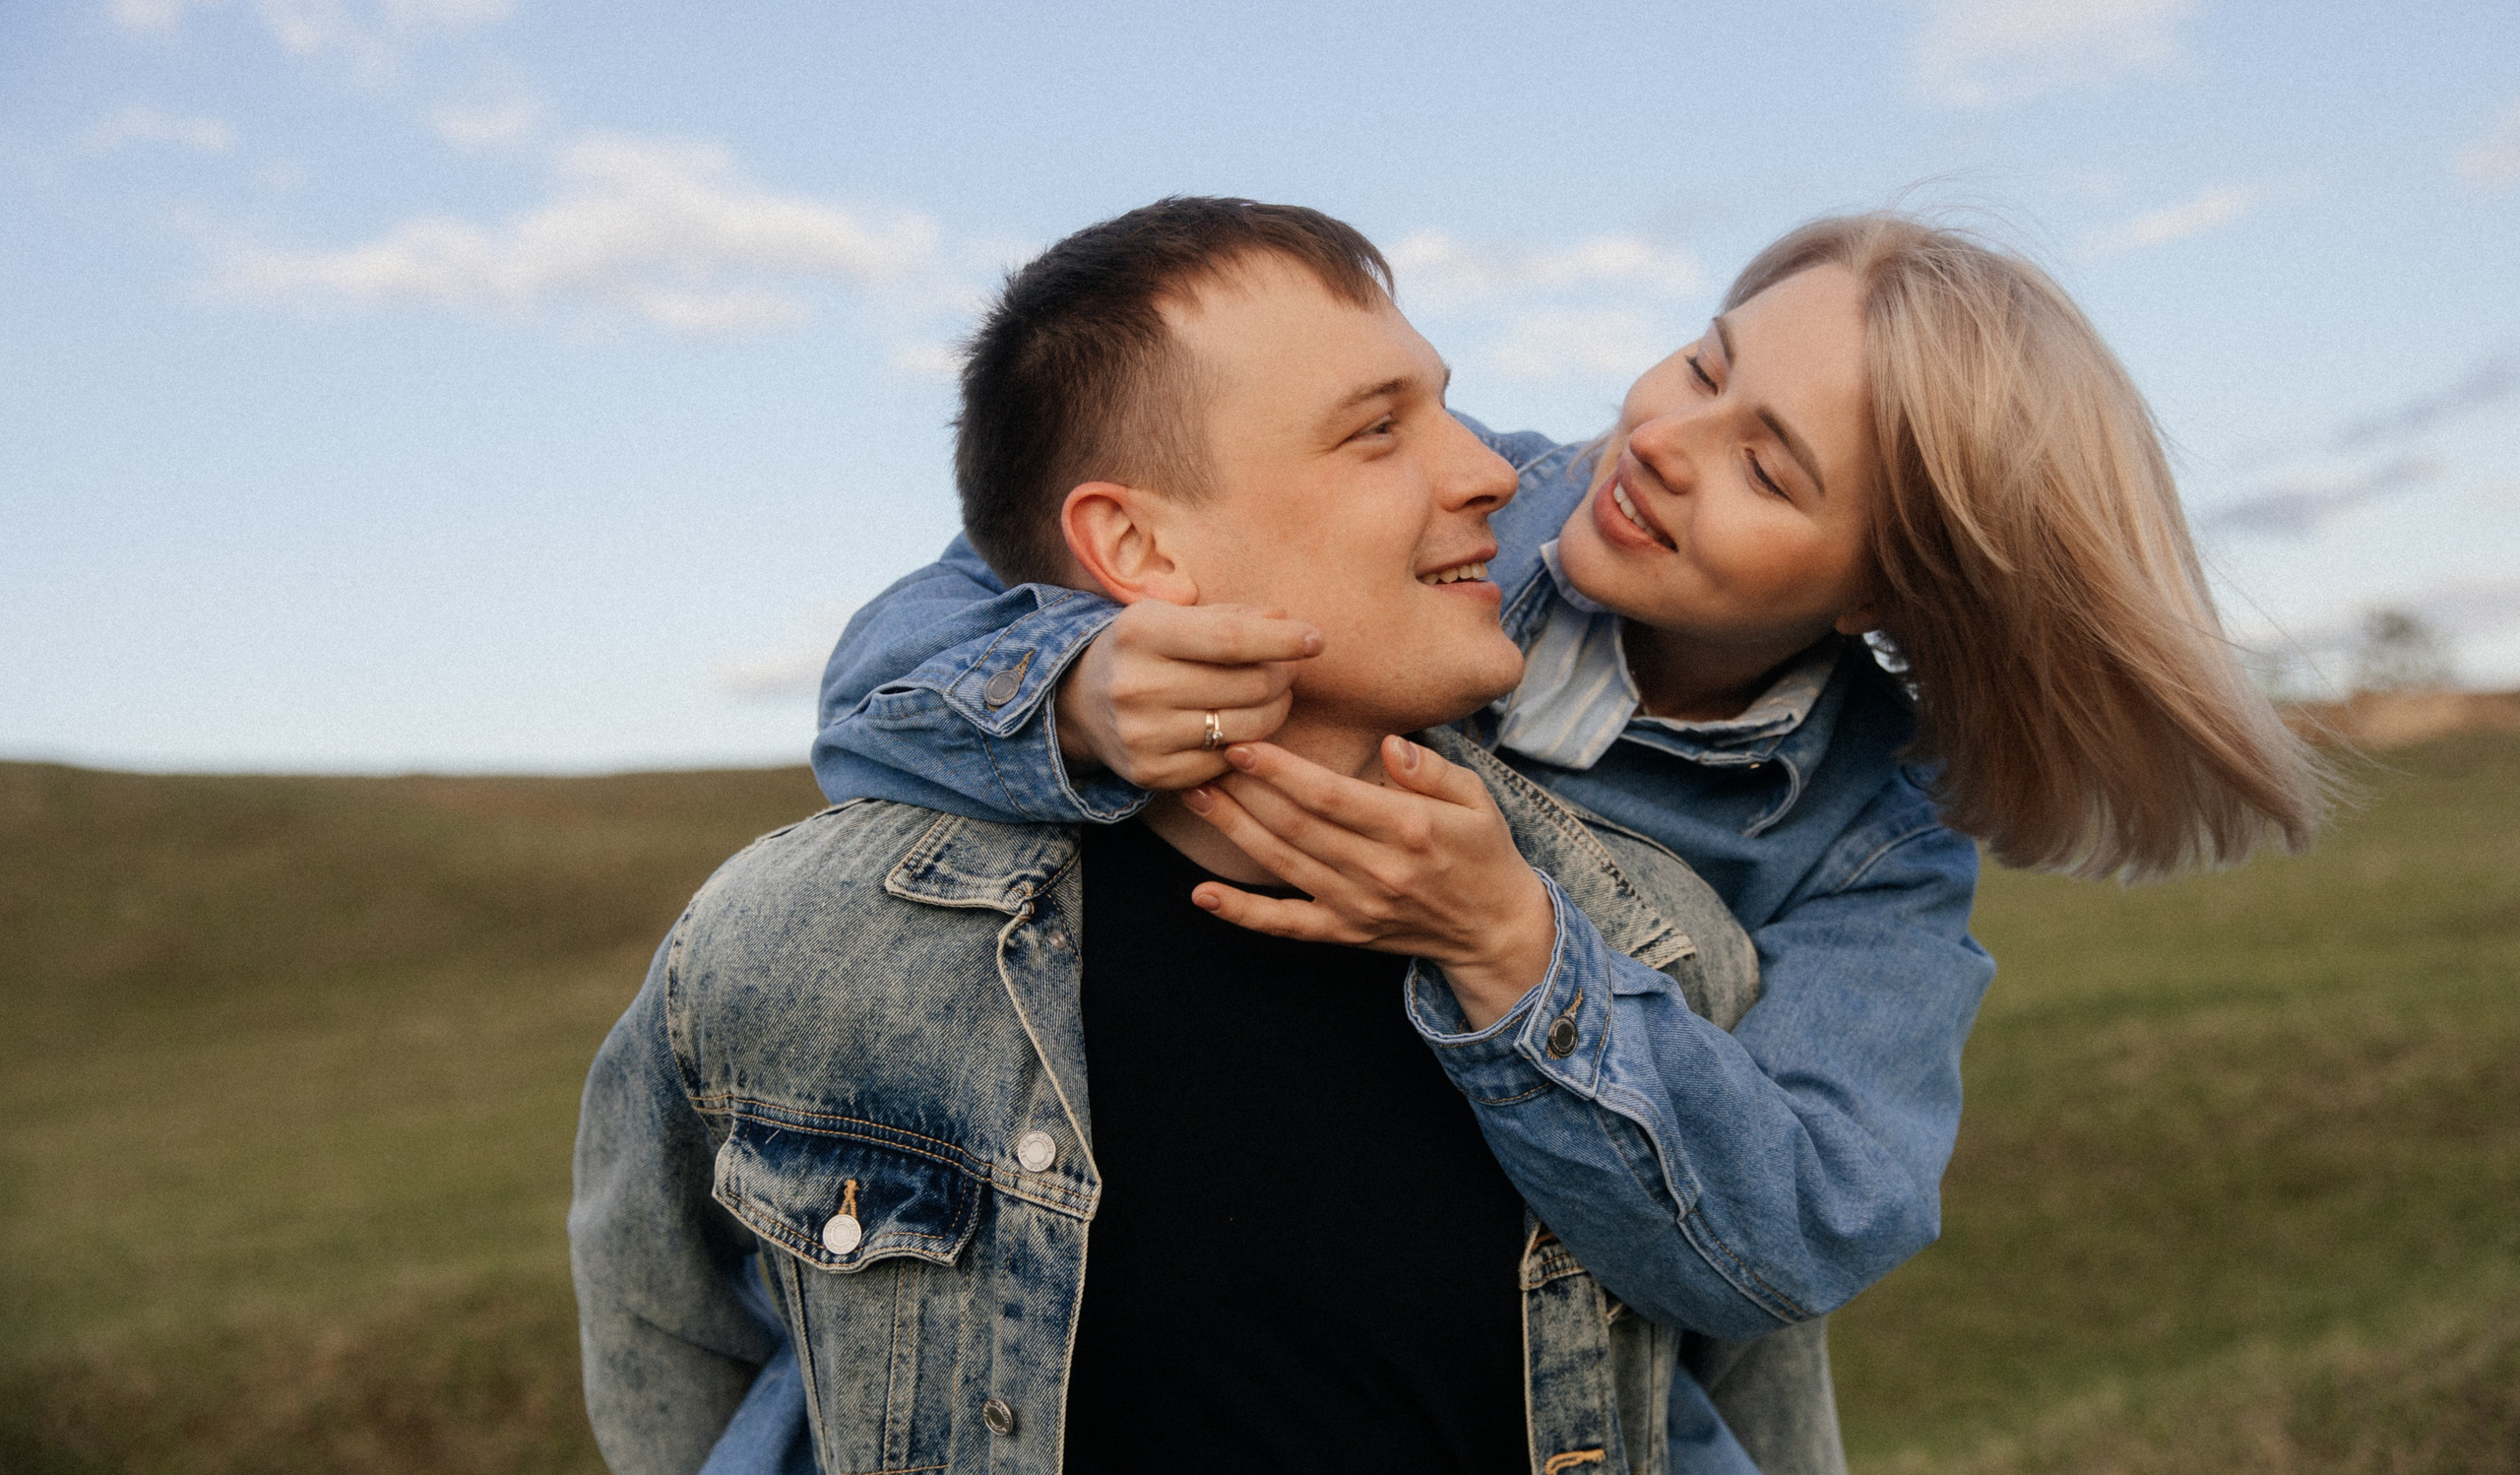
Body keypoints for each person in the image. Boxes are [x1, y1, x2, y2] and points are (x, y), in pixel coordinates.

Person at [812, 211, 2332, 1455]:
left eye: (1770, 465)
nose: (1665, 439)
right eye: (1701, 365)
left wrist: (1513, 946)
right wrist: (1068, 694)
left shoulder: (1876, 832)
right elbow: (907, 656)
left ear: (1881, 590)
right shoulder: (1469, 495)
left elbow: (1808, 1228)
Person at [571, 197, 1827, 1475]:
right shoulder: (801, 945)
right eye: (1379, 431)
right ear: (1137, 545)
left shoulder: (1651, 947)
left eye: (1446, 407)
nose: (1491, 473)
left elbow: (1755, 1399)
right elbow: (669, 1349)